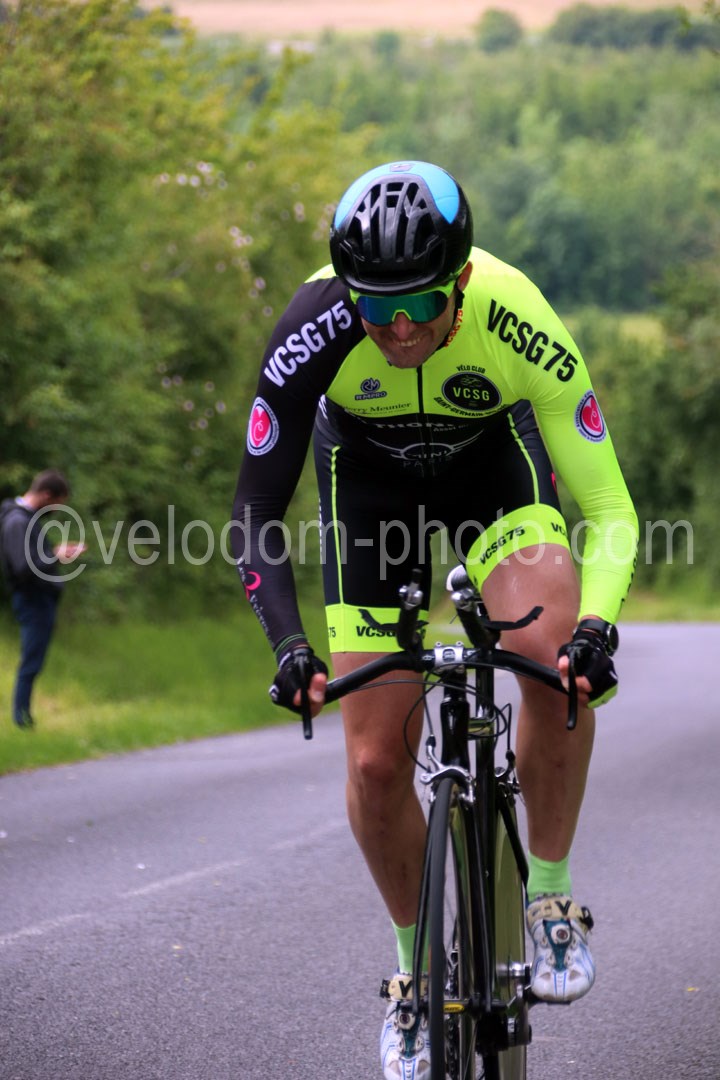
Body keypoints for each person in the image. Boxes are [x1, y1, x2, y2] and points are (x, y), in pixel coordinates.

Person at [231, 160, 638, 1078]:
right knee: (376, 762)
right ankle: (415, 977)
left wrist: (596, 629)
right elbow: (254, 510)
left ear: (460, 276)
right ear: (349, 293)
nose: (402, 326)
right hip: (367, 482)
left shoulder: (515, 313)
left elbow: (611, 508)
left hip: (491, 467)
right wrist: (288, 644)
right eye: (378, 308)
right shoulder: (311, 328)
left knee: (547, 655)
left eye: (420, 301)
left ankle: (551, 899)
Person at [0, 469, 85, 729]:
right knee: (31, 661)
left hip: (40, 600)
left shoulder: (27, 519)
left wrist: (55, 552)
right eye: (58, 503)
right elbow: (23, 567)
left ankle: (24, 717)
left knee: (34, 660)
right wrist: (55, 555)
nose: (57, 510)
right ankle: (21, 719)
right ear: (47, 495)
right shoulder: (17, 521)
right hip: (32, 600)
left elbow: (34, 559)